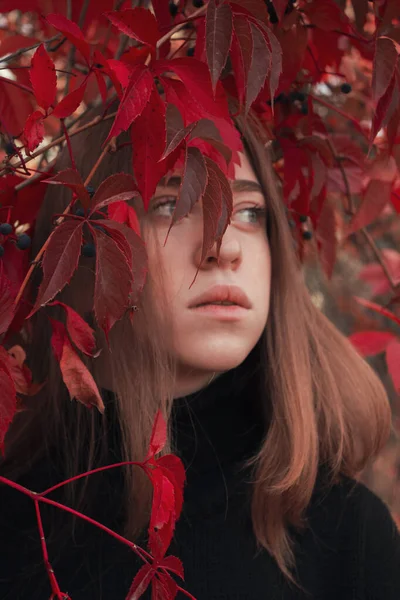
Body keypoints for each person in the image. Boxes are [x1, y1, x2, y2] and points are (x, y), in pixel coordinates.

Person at [0, 106, 399, 600]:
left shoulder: (348, 536)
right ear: (75, 247)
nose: (224, 246)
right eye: (170, 204)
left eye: (251, 213)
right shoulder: (18, 516)